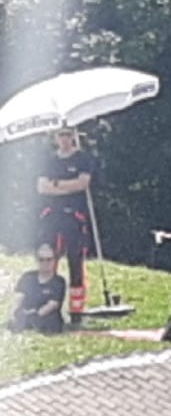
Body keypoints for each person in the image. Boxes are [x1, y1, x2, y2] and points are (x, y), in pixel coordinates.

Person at [35, 127, 99, 324]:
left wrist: (56, 185)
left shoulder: (83, 159)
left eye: (68, 135)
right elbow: (41, 187)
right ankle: (48, 307)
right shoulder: (49, 160)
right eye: (61, 135)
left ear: (74, 137)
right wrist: (66, 186)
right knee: (48, 259)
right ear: (56, 137)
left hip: (74, 216)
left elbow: (82, 184)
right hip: (51, 216)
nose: (65, 139)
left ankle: (76, 311)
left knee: (75, 261)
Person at [9, 245, 67, 334]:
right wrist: (15, 311)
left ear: (54, 261)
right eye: (41, 259)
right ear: (37, 260)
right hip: (25, 315)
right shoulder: (27, 277)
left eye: (49, 259)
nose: (45, 263)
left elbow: (52, 304)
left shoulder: (59, 281)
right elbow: (18, 297)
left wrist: (35, 314)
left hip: (46, 320)